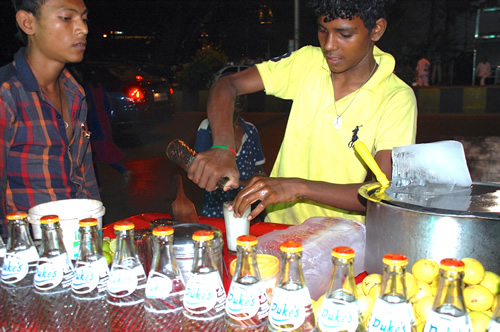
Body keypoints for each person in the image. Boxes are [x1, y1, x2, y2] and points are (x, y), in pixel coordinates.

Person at [188, 0, 417, 225]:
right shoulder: (308, 63)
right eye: (322, 30)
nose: (329, 45)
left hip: (342, 242)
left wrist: (298, 188)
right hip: (279, 227)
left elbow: (381, 191)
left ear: (376, 29)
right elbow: (227, 86)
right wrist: (223, 149)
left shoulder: (396, 97)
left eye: (344, 35)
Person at [0, 0, 99, 236]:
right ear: (27, 22)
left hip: (75, 244)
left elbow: (84, 179)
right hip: (24, 254)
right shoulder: (7, 94)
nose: (82, 29)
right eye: (67, 18)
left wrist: (95, 238)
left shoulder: (75, 93)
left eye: (84, 19)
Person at [194, 95, 266, 219]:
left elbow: (259, 170)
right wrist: (239, 183)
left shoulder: (250, 130)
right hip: (216, 207)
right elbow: (199, 168)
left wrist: (259, 182)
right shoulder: (207, 127)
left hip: (246, 205)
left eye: (239, 99)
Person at [79, 66, 132, 187]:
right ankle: (100, 183)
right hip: (104, 123)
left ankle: (120, 172)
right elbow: (107, 104)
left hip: (93, 125)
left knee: (98, 153)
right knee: (100, 152)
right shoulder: (99, 88)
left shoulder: (86, 89)